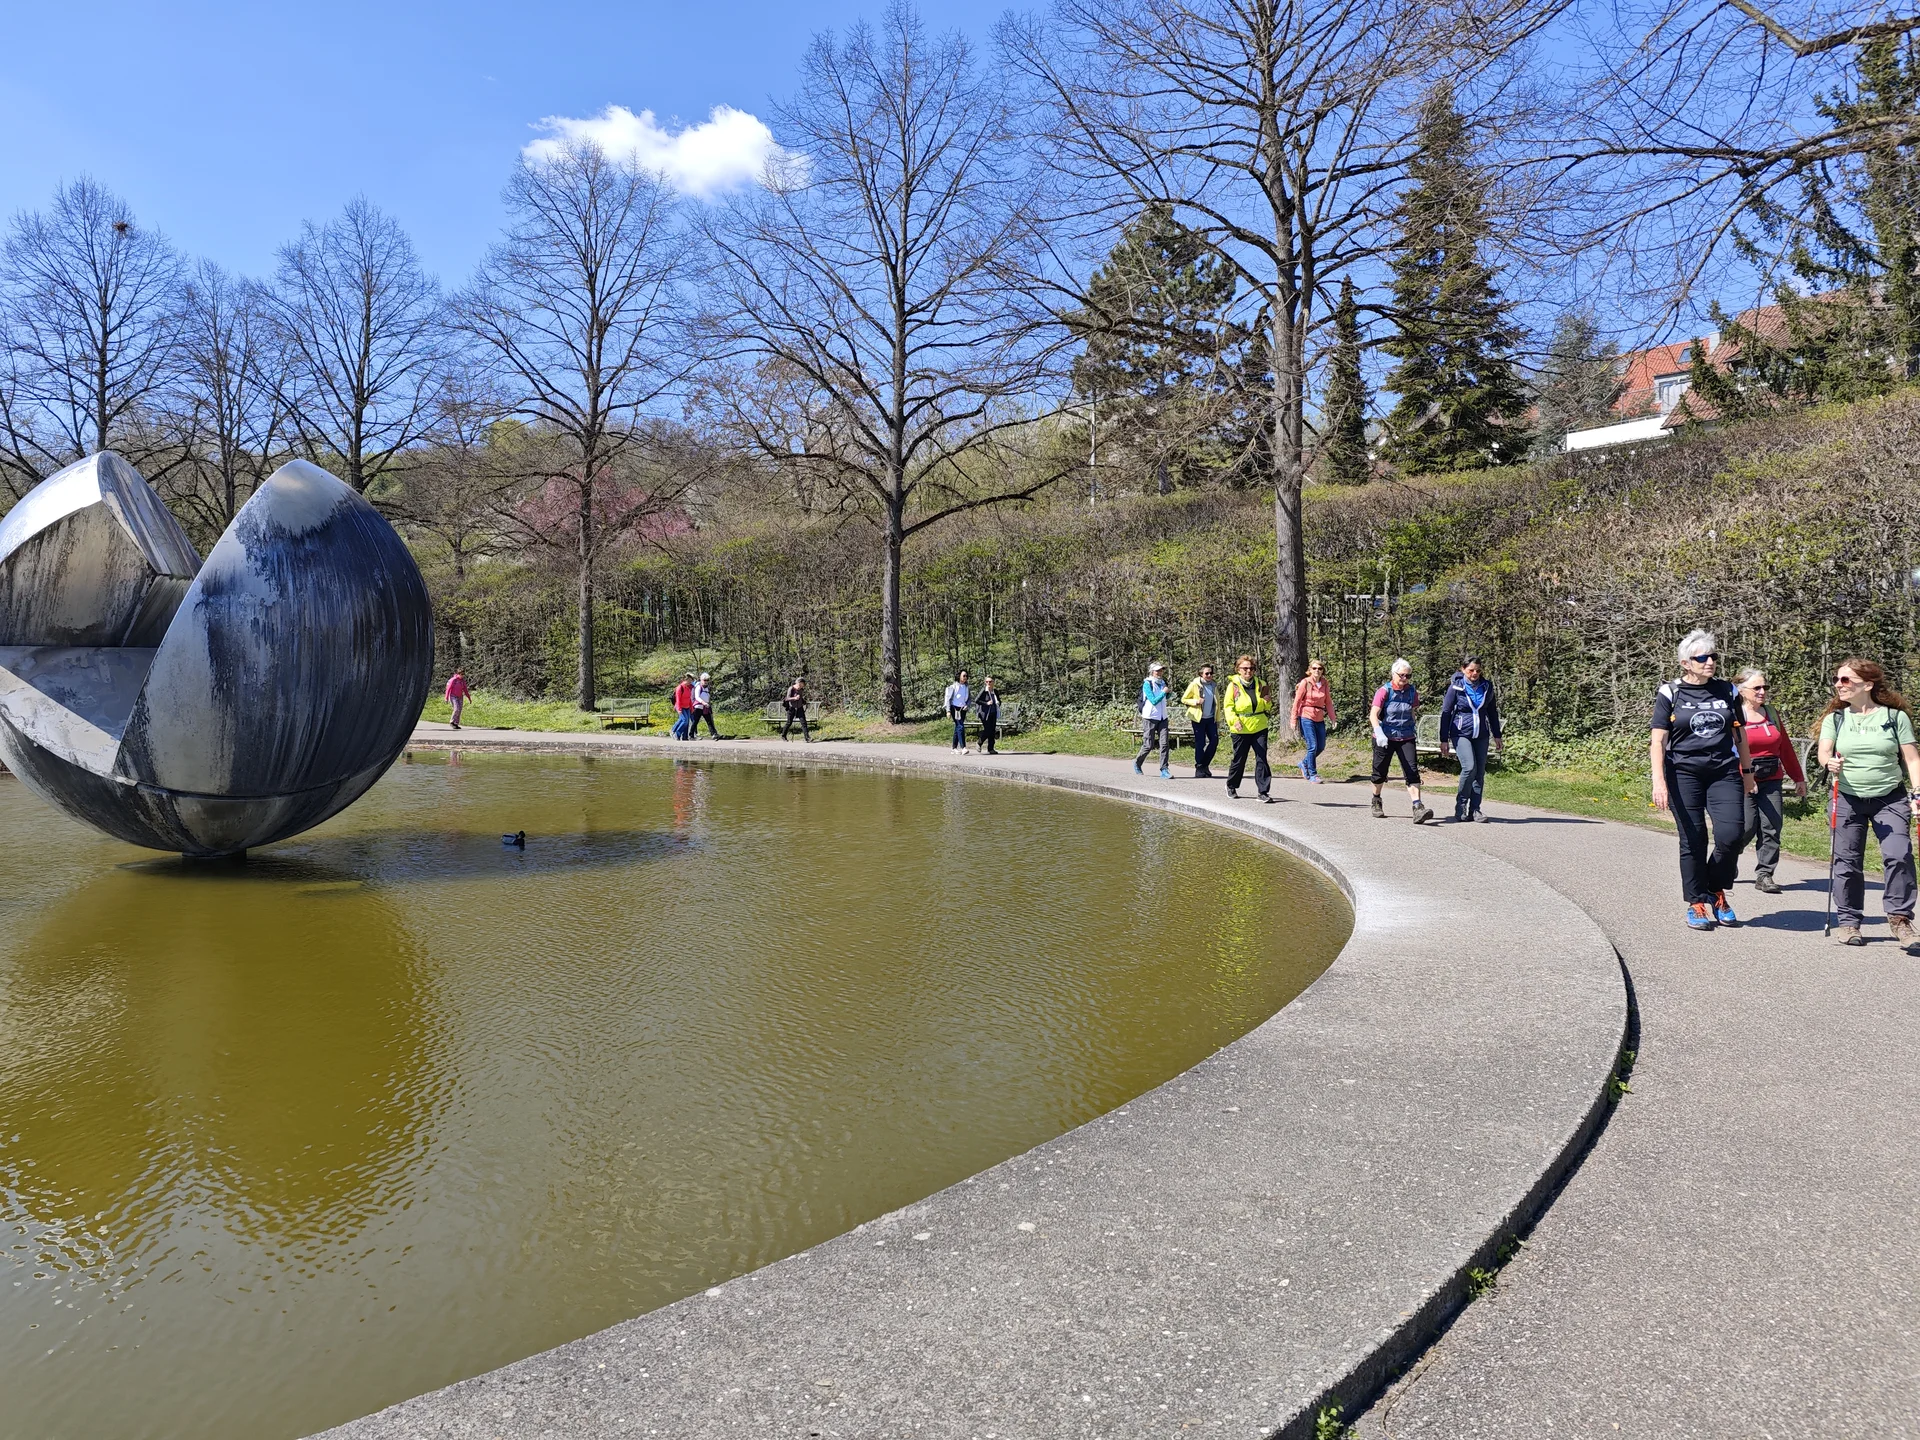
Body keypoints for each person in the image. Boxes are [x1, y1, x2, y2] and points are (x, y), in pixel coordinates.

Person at [1650, 629, 1756, 931]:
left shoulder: (1728, 691)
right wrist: (1659, 781)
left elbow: (1740, 734)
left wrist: (1747, 774)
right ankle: (1697, 901)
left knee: (1732, 835)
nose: (1709, 662)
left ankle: (1716, 888)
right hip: (1683, 773)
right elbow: (1657, 741)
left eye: (1713, 656)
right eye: (1702, 658)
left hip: (1723, 771)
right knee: (1694, 839)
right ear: (1686, 663)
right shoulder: (1670, 692)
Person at [1816, 657, 1920, 948]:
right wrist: (1829, 763)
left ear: (1868, 684)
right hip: (1847, 797)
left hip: (1890, 797)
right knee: (1846, 862)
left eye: (1846, 680)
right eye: (1836, 679)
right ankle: (1849, 922)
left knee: (1899, 855)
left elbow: (1912, 759)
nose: (1839, 685)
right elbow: (1823, 753)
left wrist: (1918, 791)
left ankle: (1900, 919)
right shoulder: (1836, 718)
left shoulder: (1894, 717)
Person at [1735, 667, 1805, 893]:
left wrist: (1798, 778)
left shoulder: (1771, 714)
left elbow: (1784, 746)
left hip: (1771, 779)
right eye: (1757, 687)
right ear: (1742, 690)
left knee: (1771, 827)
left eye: (1765, 687)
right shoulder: (1734, 715)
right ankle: (1727, 859)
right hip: (1741, 779)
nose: (1762, 691)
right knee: (1745, 827)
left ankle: (1765, 875)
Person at [1439, 657, 1503, 822]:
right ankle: (1461, 806)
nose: (1475, 673)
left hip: (1481, 734)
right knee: (1469, 767)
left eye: (1478, 670)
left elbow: (1492, 712)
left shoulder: (1487, 686)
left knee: (1479, 772)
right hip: (1460, 733)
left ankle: (1475, 810)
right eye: (1471, 670)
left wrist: (1497, 735)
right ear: (1463, 669)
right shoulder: (1456, 686)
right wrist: (1443, 739)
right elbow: (1446, 712)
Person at [1369, 659, 1433, 823]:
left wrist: (1412, 728)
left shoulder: (1412, 692)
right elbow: (1373, 715)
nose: (1405, 678)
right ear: (1393, 674)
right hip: (1385, 737)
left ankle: (1417, 807)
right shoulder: (1384, 691)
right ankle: (1376, 800)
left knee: (1412, 771)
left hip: (1406, 736)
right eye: (1401, 675)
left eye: (1408, 675)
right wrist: (1379, 732)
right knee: (1379, 772)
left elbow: (1412, 712)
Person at [1222, 653, 1277, 803]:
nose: (1248, 671)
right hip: (1241, 727)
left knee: (1262, 759)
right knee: (1239, 759)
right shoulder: (1233, 686)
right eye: (1245, 668)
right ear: (1238, 669)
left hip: (1259, 725)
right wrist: (1234, 721)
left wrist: (1267, 701)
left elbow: (1268, 706)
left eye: (1251, 668)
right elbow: (1228, 707)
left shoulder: (1262, 684)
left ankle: (1263, 791)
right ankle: (1231, 785)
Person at [1289, 658, 1335, 783]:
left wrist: (1333, 718)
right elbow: (1297, 701)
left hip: (1319, 716)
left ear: (1322, 671)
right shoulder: (1305, 683)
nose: (1317, 671)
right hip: (1306, 715)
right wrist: (1293, 719)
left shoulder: (1325, 683)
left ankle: (1303, 763)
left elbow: (1328, 702)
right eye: (1314, 668)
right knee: (1312, 746)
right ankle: (1313, 774)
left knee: (1321, 746)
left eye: (1320, 669)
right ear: (1310, 670)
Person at [1182, 664, 1220, 779]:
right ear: (1201, 674)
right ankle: (1199, 767)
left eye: (1211, 673)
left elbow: (1217, 702)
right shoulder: (1194, 685)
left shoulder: (1214, 685)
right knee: (1200, 743)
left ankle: (1205, 765)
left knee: (1214, 741)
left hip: (1211, 718)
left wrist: (1218, 718)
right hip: (1198, 719)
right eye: (1206, 673)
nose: (1209, 675)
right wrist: (1196, 701)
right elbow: (1184, 699)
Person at [1134, 662, 1172, 778]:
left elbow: (1166, 697)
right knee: (1148, 745)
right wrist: (1163, 692)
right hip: (1150, 717)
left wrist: (1169, 693)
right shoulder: (1147, 684)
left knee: (1164, 744)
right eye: (1157, 671)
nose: (1160, 673)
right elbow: (1154, 700)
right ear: (1152, 672)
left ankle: (1164, 769)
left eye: (1161, 670)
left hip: (1162, 717)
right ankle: (1137, 763)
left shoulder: (1163, 682)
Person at [943, 670, 971, 752]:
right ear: (959, 677)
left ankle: (954, 747)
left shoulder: (967, 687)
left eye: (966, 676)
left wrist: (967, 705)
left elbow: (969, 698)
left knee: (958, 727)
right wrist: (948, 711)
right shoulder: (953, 687)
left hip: (963, 709)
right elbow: (948, 699)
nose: (965, 677)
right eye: (964, 676)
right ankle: (963, 747)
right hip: (954, 708)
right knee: (960, 726)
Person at [975, 675, 1002, 755]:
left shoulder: (995, 691)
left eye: (990, 681)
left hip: (993, 713)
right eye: (987, 682)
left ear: (993, 682)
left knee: (992, 731)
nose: (988, 683)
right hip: (984, 713)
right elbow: (977, 700)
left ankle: (991, 748)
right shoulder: (984, 691)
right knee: (988, 729)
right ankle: (979, 742)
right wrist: (986, 703)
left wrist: (998, 703)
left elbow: (999, 700)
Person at [782, 676, 811, 742]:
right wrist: (794, 698)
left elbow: (801, 698)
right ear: (799, 683)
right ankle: (783, 735)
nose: (802, 687)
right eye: (801, 685)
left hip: (800, 708)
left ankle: (807, 738)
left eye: (802, 686)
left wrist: (804, 702)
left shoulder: (801, 690)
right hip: (791, 708)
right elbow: (787, 698)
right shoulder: (791, 688)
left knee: (804, 723)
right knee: (789, 722)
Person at [693, 671, 720, 738]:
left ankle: (714, 734)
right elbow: (697, 697)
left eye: (707, 680)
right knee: (695, 721)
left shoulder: (707, 688)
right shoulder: (698, 687)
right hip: (698, 707)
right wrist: (703, 702)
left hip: (706, 707)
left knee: (709, 721)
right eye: (704, 680)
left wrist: (707, 703)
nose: (706, 681)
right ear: (701, 680)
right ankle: (692, 734)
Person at [671, 672, 696, 740]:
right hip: (680, 707)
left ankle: (684, 737)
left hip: (687, 707)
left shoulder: (688, 688)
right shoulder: (680, 687)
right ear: (686, 679)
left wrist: (691, 708)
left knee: (687, 722)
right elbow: (678, 699)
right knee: (684, 720)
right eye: (690, 680)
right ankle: (676, 732)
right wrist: (679, 709)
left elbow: (689, 699)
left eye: (692, 680)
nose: (691, 682)